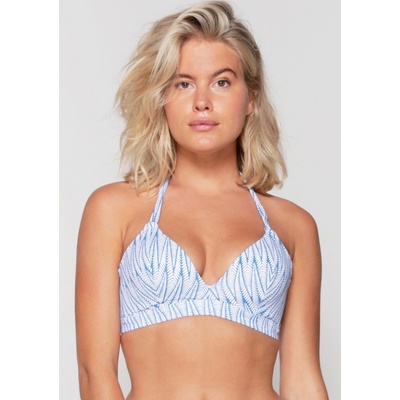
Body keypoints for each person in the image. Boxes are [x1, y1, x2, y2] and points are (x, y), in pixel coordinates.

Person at [75, 1, 329, 399]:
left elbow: (303, 380)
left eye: (222, 82)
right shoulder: (114, 209)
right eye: (183, 84)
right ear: (162, 98)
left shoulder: (293, 227)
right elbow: (96, 373)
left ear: (251, 98)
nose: (202, 102)